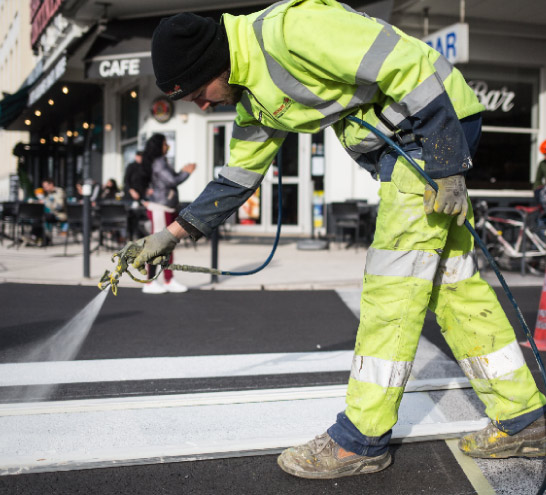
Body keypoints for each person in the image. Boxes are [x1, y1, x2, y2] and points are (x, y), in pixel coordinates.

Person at [132, 0, 546, 478]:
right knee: (451, 283)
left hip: (430, 130)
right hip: (413, 142)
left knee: (393, 284)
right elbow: (236, 178)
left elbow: (408, 65)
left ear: (213, 64)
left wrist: (446, 161)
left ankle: (362, 439)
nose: (203, 105)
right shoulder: (251, 94)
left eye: (198, 93)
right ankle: (524, 418)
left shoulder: (292, 30)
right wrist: (169, 235)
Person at [140, 133, 196, 294]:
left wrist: (182, 172)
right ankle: (153, 281)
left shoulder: (159, 162)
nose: (167, 147)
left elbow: (170, 179)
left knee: (165, 244)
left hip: (165, 207)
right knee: (159, 245)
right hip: (160, 208)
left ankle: (166, 279)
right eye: (165, 144)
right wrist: (187, 172)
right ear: (158, 146)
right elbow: (172, 180)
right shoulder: (158, 163)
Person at [124, 151, 150, 239]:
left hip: (142, 197)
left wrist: (148, 190)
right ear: (136, 157)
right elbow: (126, 181)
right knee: (131, 216)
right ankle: (130, 236)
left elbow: (147, 182)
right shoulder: (131, 166)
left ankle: (141, 237)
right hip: (130, 197)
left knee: (141, 216)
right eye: (139, 156)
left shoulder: (145, 167)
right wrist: (131, 191)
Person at [533, 140, 546, 208]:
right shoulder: (542, 164)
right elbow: (538, 179)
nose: (545, 157)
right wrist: (537, 189)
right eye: (544, 154)